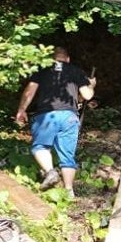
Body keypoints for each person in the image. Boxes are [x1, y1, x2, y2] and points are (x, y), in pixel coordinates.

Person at [15, 46, 96, 196]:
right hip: (69, 116)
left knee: (40, 147)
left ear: (51, 58)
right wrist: (91, 85)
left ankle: (50, 172)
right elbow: (87, 95)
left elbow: (30, 90)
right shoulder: (75, 70)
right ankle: (69, 192)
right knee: (67, 156)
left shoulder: (42, 69)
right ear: (68, 58)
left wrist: (22, 109)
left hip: (47, 115)